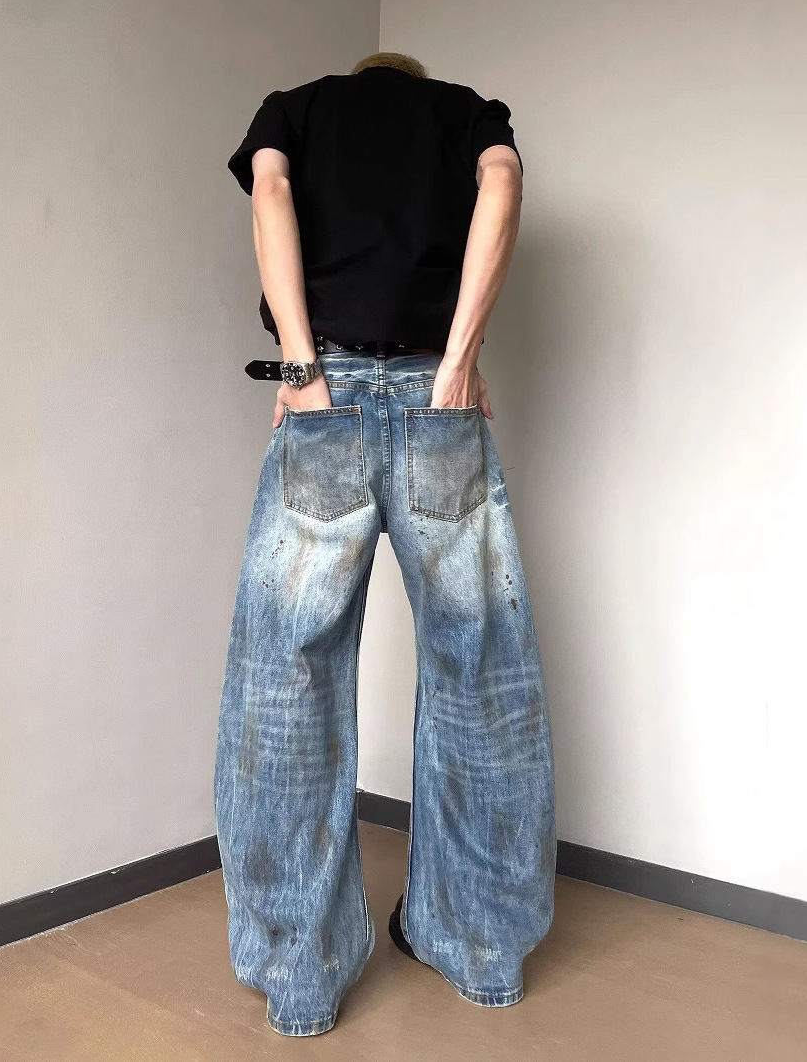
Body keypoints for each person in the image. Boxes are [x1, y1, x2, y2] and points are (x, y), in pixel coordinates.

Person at [213, 51, 556, 1038]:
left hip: (324, 399)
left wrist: (302, 367)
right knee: (480, 673)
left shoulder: (298, 110)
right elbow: (503, 181)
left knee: (287, 681)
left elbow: (270, 191)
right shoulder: (463, 112)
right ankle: (480, 950)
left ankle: (302, 977)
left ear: (361, 76)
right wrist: (459, 362)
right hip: (436, 399)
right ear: (410, 77)